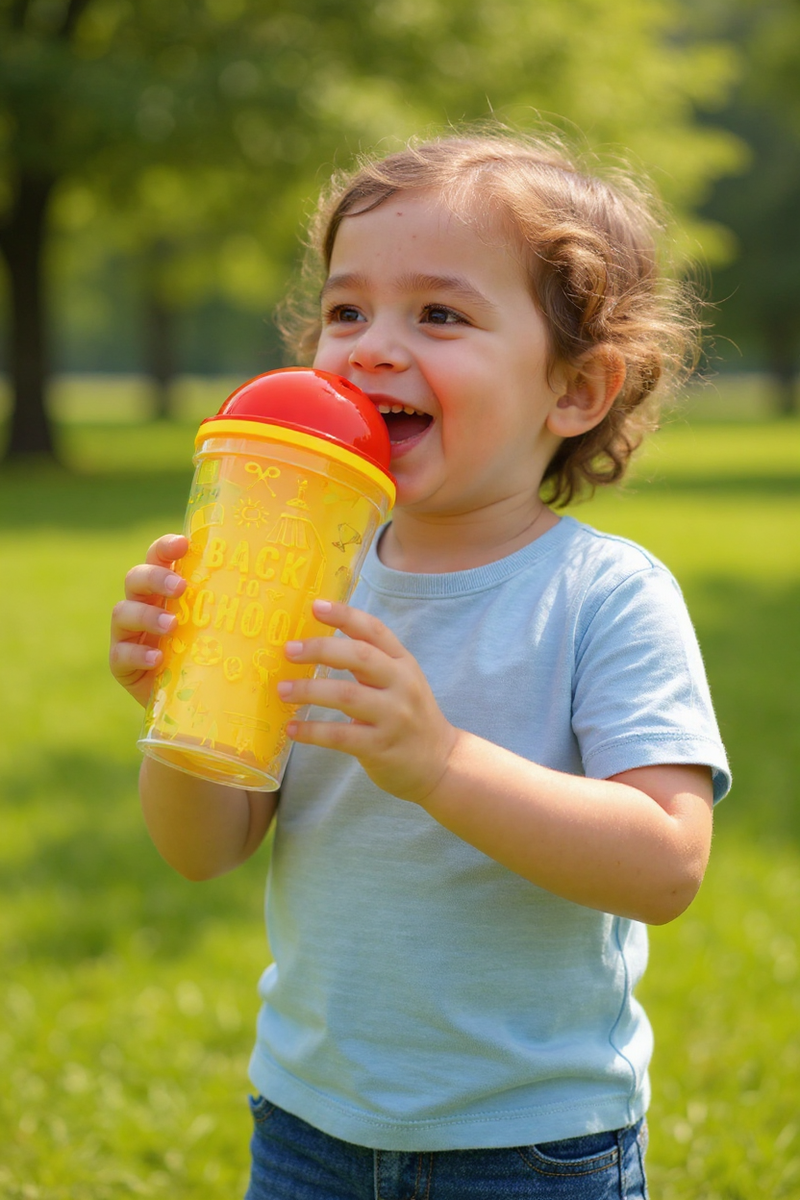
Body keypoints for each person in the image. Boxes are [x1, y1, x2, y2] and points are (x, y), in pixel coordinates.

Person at [110, 130, 730, 1200]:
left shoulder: (604, 595)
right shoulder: (305, 575)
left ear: (575, 390)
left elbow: (665, 864)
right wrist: (182, 705)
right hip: (308, 1118)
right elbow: (202, 849)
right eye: (345, 311)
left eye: (437, 314)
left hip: (532, 1144)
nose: (367, 347)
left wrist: (437, 760)